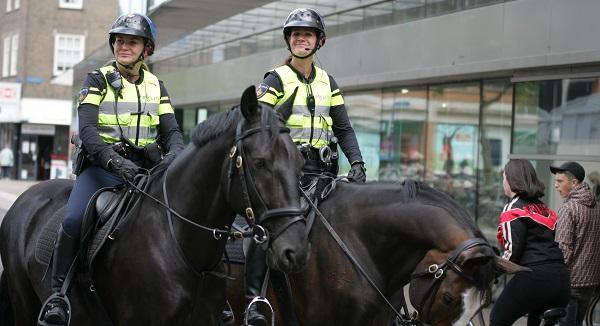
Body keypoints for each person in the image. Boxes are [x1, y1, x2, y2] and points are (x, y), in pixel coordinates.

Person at [39, 13, 184, 325]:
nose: (123, 46)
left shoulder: (158, 86)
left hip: (145, 173)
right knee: (75, 219)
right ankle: (57, 295)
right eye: (119, 40)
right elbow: (88, 131)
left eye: (132, 41)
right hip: (102, 170)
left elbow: (172, 132)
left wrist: (175, 157)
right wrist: (115, 161)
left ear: (147, 49)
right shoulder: (97, 79)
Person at [241, 7, 366, 326]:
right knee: (266, 229)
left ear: (319, 41)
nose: (301, 39)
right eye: (295, 34)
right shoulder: (276, 78)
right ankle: (254, 299)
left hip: (324, 173)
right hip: (285, 174)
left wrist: (357, 162)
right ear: (289, 41)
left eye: (307, 34)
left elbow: (343, 129)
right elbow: (258, 124)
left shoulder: (328, 81)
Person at [491, 159, 570, 326]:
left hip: (535, 278)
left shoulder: (513, 209)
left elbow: (511, 254)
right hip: (561, 279)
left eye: (504, 178)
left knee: (498, 318)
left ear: (512, 180)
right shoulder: (544, 208)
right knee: (535, 318)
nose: (503, 182)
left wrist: (492, 270)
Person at [550, 162, 600, 326]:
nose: (556, 185)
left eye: (560, 181)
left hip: (571, 282)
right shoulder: (596, 207)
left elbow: (563, 249)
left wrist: (555, 278)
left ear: (574, 182)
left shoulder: (569, 209)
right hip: (591, 281)